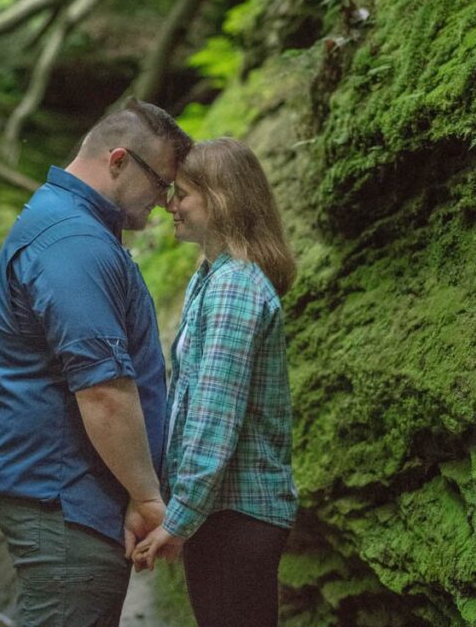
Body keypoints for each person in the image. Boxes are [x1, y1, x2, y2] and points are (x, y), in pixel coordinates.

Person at [0, 99, 191, 627]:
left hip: (71, 493)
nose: (166, 202)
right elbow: (103, 391)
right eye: (162, 183)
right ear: (118, 160)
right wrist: (147, 498)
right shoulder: (72, 242)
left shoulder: (73, 226)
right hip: (63, 499)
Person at [133, 137, 298, 627]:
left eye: (181, 193)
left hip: (239, 515)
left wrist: (179, 516)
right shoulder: (212, 276)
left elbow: (214, 414)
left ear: (220, 199)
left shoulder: (234, 287)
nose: (169, 204)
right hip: (224, 514)